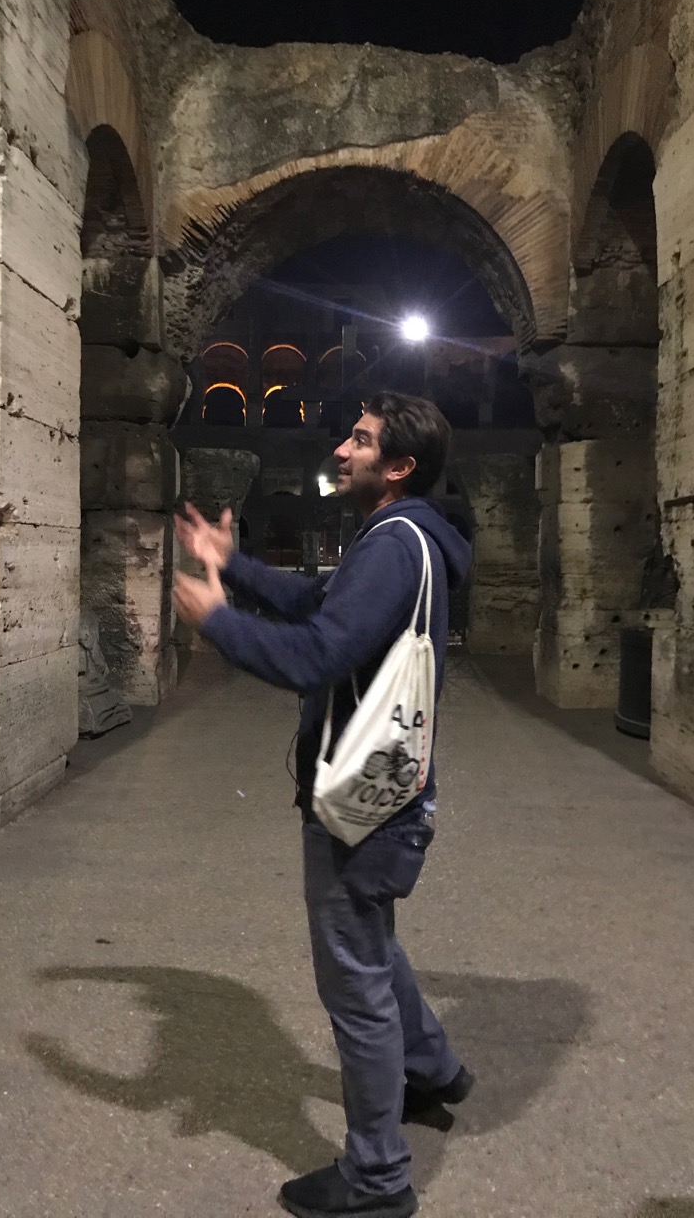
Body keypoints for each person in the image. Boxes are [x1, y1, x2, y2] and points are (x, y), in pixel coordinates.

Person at [172, 391, 473, 1218]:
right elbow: (323, 605)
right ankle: (434, 1068)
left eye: (361, 440)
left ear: (399, 468)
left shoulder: (391, 544)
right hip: (391, 801)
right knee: (370, 945)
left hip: (363, 809)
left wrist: (220, 622)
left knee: (355, 984)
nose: (342, 450)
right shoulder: (398, 537)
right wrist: (232, 563)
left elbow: (315, 653)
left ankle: (377, 1179)